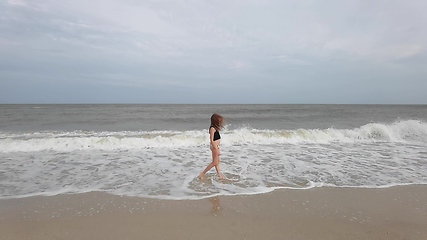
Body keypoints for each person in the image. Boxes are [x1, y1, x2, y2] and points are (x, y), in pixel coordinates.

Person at [199, 113, 225, 180]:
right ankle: (202, 173)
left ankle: (219, 175)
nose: (220, 121)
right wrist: (216, 148)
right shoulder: (212, 128)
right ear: (215, 120)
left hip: (216, 146)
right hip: (214, 146)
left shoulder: (215, 128)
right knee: (215, 162)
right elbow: (211, 140)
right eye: (218, 120)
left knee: (217, 162)